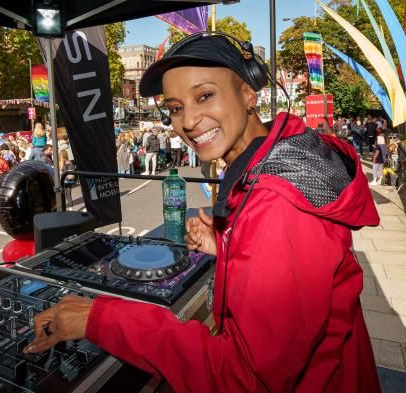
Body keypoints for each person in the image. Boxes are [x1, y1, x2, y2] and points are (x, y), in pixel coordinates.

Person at [25, 34, 381, 392]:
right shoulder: (282, 161)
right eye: (176, 108)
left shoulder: (277, 206)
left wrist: (101, 319)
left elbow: (242, 378)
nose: (189, 122)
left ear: (248, 93)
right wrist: (232, 243)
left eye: (204, 95)